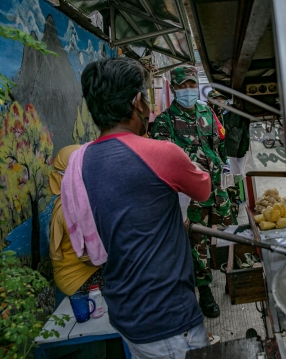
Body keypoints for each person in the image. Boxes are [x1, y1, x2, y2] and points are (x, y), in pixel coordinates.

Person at [64, 57, 212, 358]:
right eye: (145, 97)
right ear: (137, 103)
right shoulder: (162, 154)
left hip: (125, 314)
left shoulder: (79, 163)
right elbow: (204, 189)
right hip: (170, 320)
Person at [151, 65, 232, 318]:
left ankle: (213, 272)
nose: (188, 90)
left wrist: (223, 177)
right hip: (188, 196)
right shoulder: (165, 122)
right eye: (183, 86)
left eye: (191, 85)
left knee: (213, 236)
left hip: (215, 190)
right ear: (174, 88)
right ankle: (204, 290)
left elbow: (218, 146)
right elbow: (163, 163)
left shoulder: (207, 111)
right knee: (195, 243)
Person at [49, 144, 104, 297]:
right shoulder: (72, 210)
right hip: (79, 278)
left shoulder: (69, 201)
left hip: (84, 271)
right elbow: (90, 258)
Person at [207, 89, 250, 225]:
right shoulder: (207, 119)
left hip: (232, 163)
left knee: (234, 195)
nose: (220, 103)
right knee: (220, 198)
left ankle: (234, 222)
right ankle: (224, 225)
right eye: (216, 101)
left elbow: (244, 139)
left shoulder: (233, 116)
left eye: (221, 100)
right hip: (216, 167)